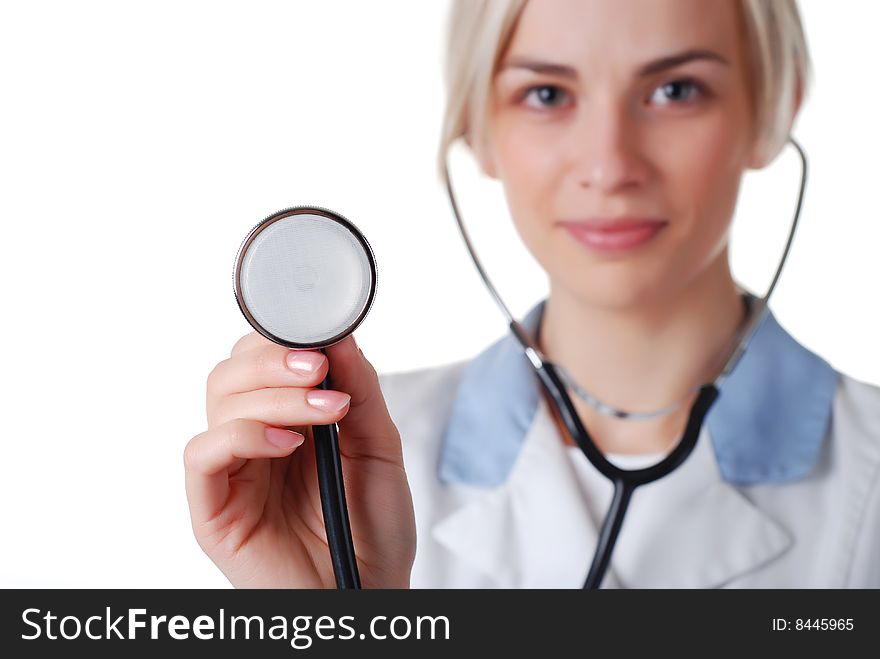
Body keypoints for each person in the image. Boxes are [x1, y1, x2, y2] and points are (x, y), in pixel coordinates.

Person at [183, 0, 880, 588]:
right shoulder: (328, 474)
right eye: (547, 94)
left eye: (676, 90)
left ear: (773, 108)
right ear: (478, 129)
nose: (609, 165)